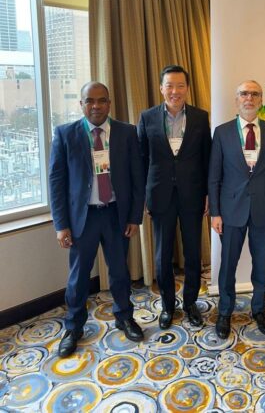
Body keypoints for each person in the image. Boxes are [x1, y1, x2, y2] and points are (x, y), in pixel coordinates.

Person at [49, 82, 145, 358]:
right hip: (84, 218)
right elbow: (57, 182)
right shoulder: (65, 134)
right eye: (89, 101)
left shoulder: (126, 133)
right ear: (81, 104)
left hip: (116, 214)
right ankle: (73, 327)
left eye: (102, 100)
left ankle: (124, 317)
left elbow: (137, 178)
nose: (96, 106)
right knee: (78, 277)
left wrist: (134, 217)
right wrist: (61, 224)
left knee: (119, 272)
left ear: (109, 104)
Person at [209, 80, 265, 339]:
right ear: (236, 100)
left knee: (261, 265)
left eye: (254, 94)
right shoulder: (222, 133)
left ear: (261, 100)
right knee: (227, 265)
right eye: (244, 93)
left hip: (264, 210)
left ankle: (259, 310)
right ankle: (224, 312)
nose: (249, 98)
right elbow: (214, 176)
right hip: (231, 211)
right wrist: (215, 212)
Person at [138, 65, 211, 329]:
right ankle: (168, 305)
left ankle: (190, 303)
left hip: (192, 195)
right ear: (161, 88)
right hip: (159, 195)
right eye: (169, 85)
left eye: (180, 86)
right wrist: (144, 195)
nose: (175, 91)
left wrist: (208, 194)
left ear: (187, 89)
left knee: (193, 254)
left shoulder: (201, 118)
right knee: (162, 255)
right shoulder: (147, 118)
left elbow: (207, 160)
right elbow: (142, 160)